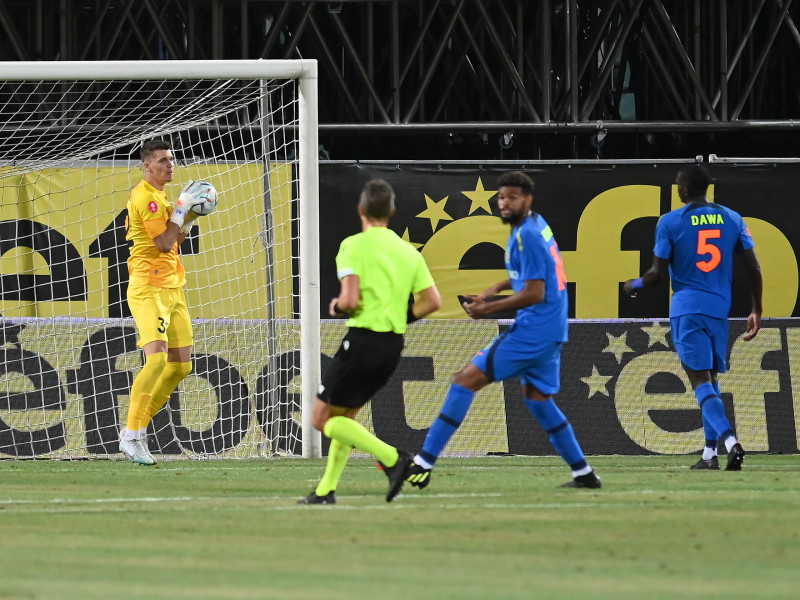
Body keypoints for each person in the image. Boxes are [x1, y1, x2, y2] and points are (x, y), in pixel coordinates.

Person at [405, 171, 601, 490]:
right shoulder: (535, 225)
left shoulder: (527, 236)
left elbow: (535, 292)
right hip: (551, 329)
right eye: (501, 197)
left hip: (534, 330)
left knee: (464, 381)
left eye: (512, 197)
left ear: (528, 199)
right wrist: (494, 288)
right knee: (538, 400)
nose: (504, 202)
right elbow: (535, 272)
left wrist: (487, 308)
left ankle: (423, 463)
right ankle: (584, 473)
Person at [299, 178, 442, 504]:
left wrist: (338, 306)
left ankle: (393, 458)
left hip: (363, 341)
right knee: (345, 418)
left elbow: (350, 300)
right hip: (392, 346)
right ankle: (325, 491)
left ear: (360, 209)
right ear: (392, 211)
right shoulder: (408, 251)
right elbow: (433, 301)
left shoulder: (354, 245)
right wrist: (401, 316)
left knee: (321, 419)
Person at [622, 164, 762, 471]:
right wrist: (756, 309)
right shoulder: (733, 218)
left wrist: (634, 284)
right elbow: (753, 266)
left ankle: (730, 443)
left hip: (687, 308)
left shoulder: (671, 221)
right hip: (719, 310)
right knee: (710, 380)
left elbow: (656, 275)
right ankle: (710, 455)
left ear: (684, 190)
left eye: (677, 184)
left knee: (699, 380)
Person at [119, 139, 206, 465]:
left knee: (181, 366)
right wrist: (181, 210)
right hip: (148, 289)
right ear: (147, 166)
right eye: (162, 161)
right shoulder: (146, 198)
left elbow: (176, 240)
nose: (170, 165)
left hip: (173, 288)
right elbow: (164, 243)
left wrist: (190, 217)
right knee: (156, 360)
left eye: (171, 159)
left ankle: (136, 430)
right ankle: (132, 435)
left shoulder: (161, 197)